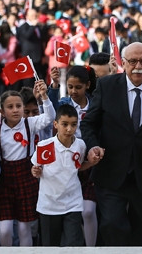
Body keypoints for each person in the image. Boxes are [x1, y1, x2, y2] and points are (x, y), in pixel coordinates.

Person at [80, 42, 142, 246]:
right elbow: (89, 124)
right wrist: (93, 146)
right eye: (133, 61)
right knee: (111, 224)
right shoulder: (106, 86)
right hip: (111, 171)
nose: (138, 66)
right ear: (123, 63)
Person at [0, 86, 54, 247]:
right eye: (10, 107)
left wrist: (44, 97)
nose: (15, 110)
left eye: (19, 106)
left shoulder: (30, 123)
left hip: (26, 178)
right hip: (5, 181)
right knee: (5, 229)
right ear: (2, 111)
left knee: (24, 228)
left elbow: (50, 117)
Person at [31, 103, 98, 246]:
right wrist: (35, 171)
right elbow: (36, 169)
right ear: (55, 124)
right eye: (65, 124)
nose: (69, 129)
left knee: (74, 244)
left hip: (72, 203)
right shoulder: (44, 145)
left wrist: (91, 163)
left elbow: (78, 167)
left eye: (73, 125)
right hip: (49, 204)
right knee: (50, 245)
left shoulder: (80, 145)